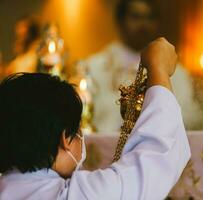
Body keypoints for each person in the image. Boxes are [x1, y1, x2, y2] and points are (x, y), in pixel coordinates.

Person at [0, 38, 191, 200]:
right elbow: (156, 158)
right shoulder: (75, 195)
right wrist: (159, 69)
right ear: (66, 139)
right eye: (77, 132)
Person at [86, 0, 201, 133]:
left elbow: (188, 117)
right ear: (121, 22)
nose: (143, 25)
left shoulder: (176, 72)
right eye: (136, 17)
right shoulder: (94, 67)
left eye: (149, 18)